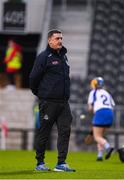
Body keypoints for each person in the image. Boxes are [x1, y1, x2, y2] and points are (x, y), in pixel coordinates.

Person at [29, 29, 75, 172]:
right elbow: (33, 78)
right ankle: (40, 163)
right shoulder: (44, 57)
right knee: (44, 132)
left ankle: (61, 163)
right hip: (48, 102)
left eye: (61, 38)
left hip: (63, 103)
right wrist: (40, 94)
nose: (60, 41)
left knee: (65, 131)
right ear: (49, 40)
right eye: (57, 38)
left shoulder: (64, 57)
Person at [87, 77, 115, 161]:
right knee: (100, 136)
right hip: (110, 113)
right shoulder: (107, 93)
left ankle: (108, 147)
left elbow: (90, 108)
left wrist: (92, 111)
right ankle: (99, 155)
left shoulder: (93, 92)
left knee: (97, 137)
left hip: (100, 113)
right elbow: (112, 105)